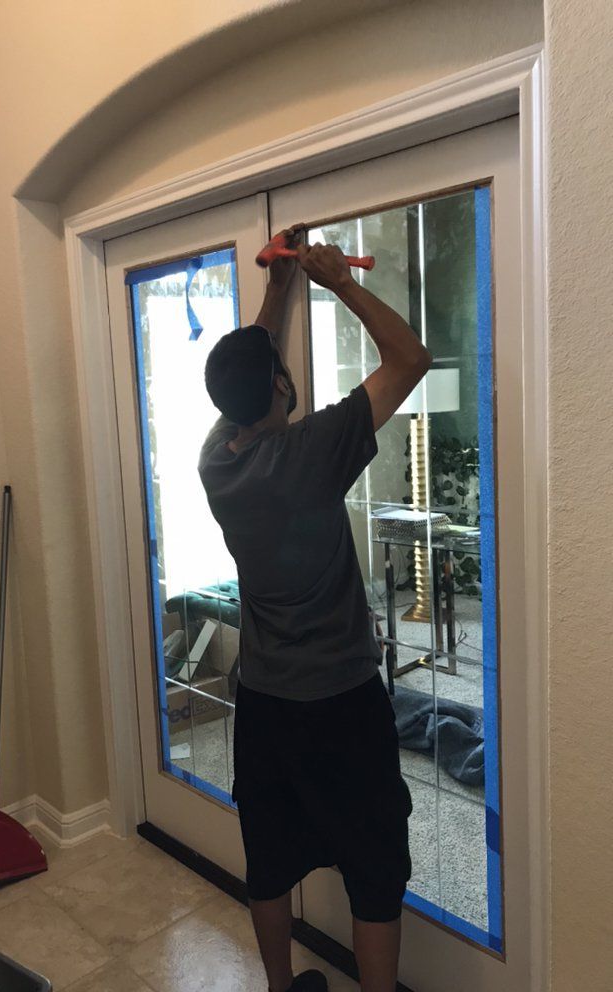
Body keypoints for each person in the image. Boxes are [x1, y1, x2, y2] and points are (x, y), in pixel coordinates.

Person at [198, 228, 431, 992]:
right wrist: (338, 282)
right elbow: (410, 360)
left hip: (265, 703)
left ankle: (278, 988)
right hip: (341, 702)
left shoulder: (215, 460)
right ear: (283, 388)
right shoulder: (316, 449)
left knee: (268, 856)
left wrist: (276, 292)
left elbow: (248, 371)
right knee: (373, 862)